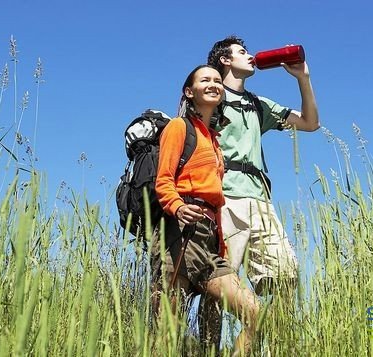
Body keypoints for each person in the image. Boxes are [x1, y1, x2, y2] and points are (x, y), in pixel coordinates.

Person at [199, 36, 320, 347]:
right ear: (225, 60)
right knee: (221, 284)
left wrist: (303, 78)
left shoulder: (257, 104)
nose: (250, 56)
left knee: (285, 279)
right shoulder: (211, 94)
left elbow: (310, 123)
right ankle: (207, 349)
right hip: (225, 199)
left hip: (261, 202)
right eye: (242, 52)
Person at [151, 64, 260, 355]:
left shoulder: (214, 141)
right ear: (190, 91)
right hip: (180, 234)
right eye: (205, 80)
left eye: (216, 80)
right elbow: (163, 180)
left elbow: (216, 199)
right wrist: (176, 207)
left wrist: (220, 242)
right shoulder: (179, 127)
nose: (213, 84)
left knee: (255, 313)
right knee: (167, 334)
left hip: (210, 240)